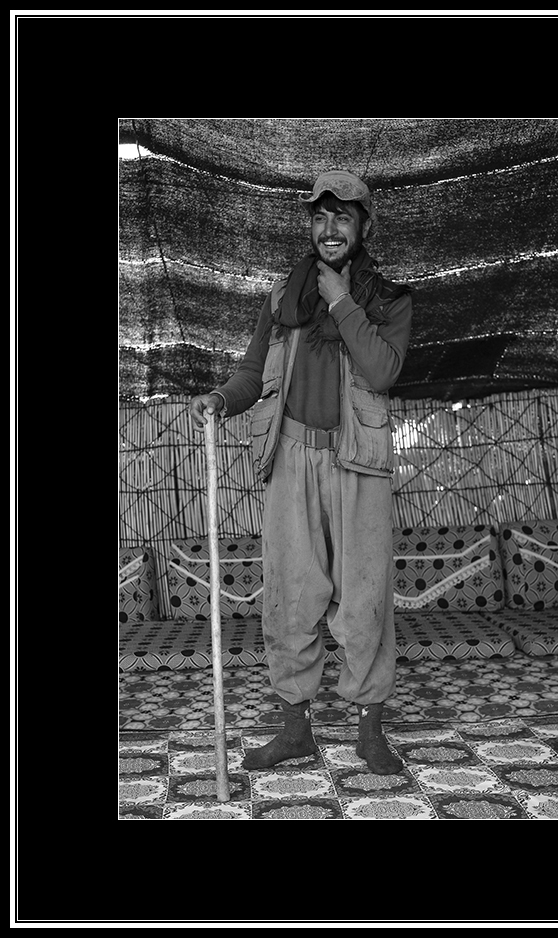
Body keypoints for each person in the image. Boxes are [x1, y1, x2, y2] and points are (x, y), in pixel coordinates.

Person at [189, 170, 413, 775]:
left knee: (364, 597)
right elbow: (252, 372)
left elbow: (383, 370)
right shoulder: (282, 299)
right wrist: (223, 398)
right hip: (291, 457)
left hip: (358, 462)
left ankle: (370, 733)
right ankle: (296, 731)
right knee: (291, 595)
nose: (330, 228)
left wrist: (340, 299)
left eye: (342, 216)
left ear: (364, 226)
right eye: (320, 216)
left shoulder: (389, 300)